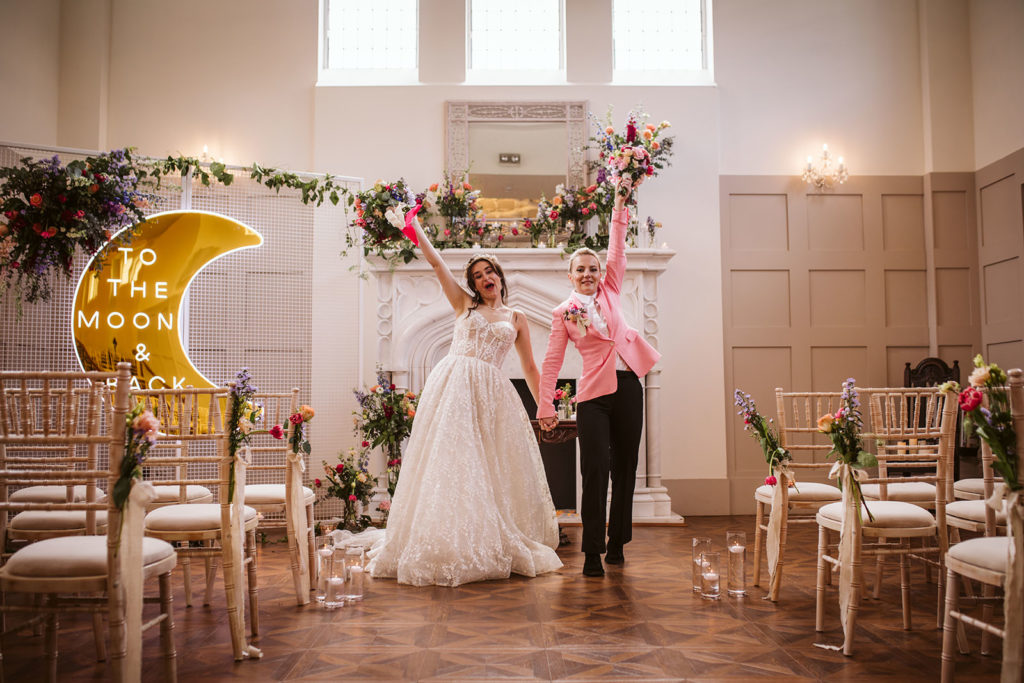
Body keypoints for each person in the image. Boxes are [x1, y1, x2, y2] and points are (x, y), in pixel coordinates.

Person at [366, 209, 562, 587]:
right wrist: (415, 228)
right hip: (455, 386)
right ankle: (444, 539)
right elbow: (436, 262)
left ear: (500, 277)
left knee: (488, 468)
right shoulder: (464, 305)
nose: (484, 278)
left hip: (493, 394)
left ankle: (485, 537)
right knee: (452, 464)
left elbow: (531, 369)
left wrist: (546, 407)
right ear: (472, 284)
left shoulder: (517, 317)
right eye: (477, 275)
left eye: (489, 272)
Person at [537, 175, 660, 577]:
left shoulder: (610, 290)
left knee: (626, 466)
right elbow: (552, 363)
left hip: (627, 387)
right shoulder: (563, 313)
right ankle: (591, 552)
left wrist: (619, 202)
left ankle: (616, 542)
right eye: (581, 270)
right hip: (593, 396)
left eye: (593, 268)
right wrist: (544, 407)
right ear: (570, 276)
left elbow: (617, 247)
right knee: (593, 472)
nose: (588, 273)